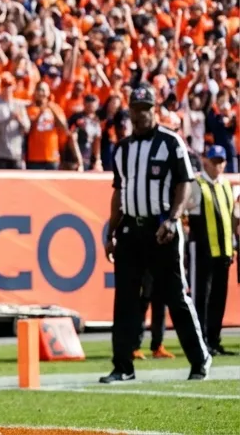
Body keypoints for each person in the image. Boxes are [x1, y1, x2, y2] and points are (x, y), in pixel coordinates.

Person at [100, 85, 211, 383]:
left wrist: (173, 219)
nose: (140, 114)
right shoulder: (122, 148)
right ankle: (122, 365)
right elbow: (118, 192)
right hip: (130, 230)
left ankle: (199, 359)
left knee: (175, 295)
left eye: (146, 108)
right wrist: (111, 232)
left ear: (154, 109)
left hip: (161, 229)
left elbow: (184, 184)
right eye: (136, 108)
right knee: (124, 300)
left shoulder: (171, 142)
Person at [186, 145, 235, 357]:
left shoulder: (226, 184)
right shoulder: (197, 184)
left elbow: (230, 217)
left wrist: (232, 244)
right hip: (203, 250)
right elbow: (184, 211)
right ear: (206, 161)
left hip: (223, 251)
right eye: (215, 161)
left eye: (221, 161)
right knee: (201, 297)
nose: (219, 166)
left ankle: (214, 340)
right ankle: (201, 340)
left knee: (218, 297)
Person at [0, 74, 29, 170]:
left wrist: (20, 120)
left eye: (9, 85)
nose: (7, 88)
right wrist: (8, 119)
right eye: (5, 85)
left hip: (15, 153)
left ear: (14, 87)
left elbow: (27, 127)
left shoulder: (18, 105)